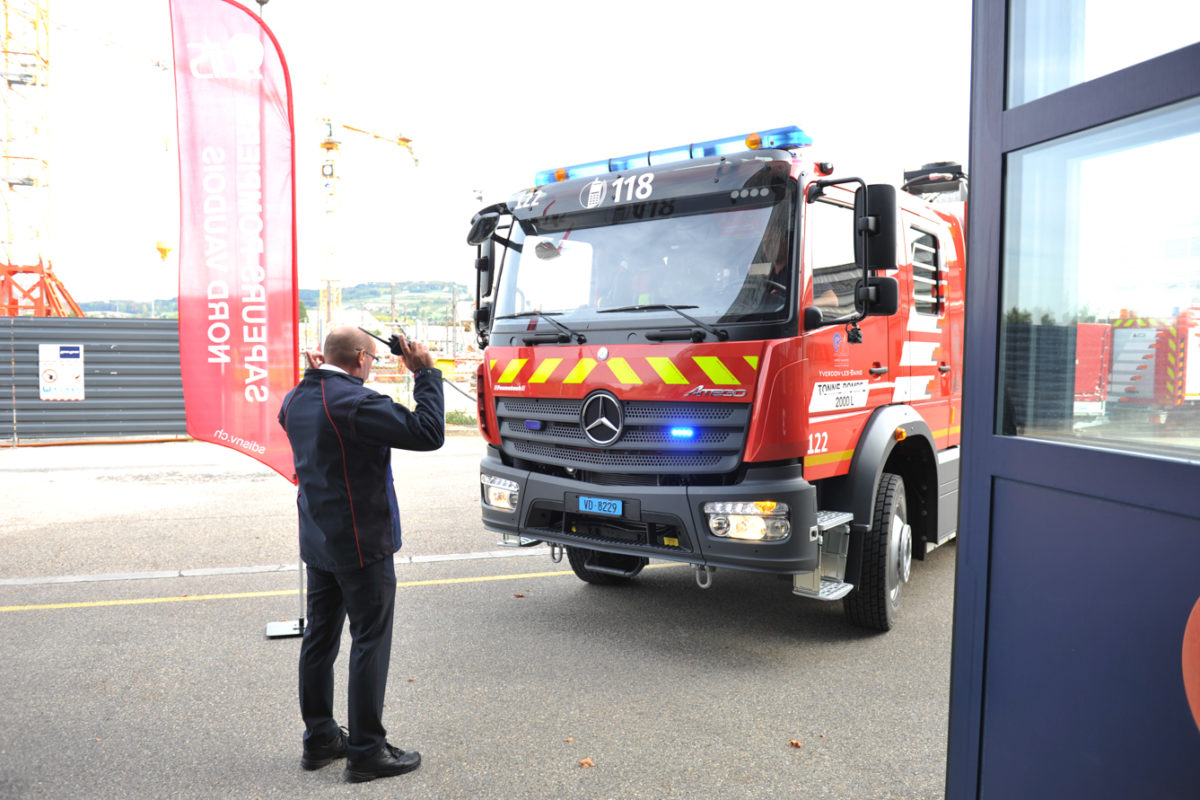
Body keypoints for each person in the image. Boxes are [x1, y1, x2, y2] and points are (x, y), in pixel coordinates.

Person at [277, 325, 444, 783]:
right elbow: (428, 432)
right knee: (369, 641)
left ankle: (320, 738)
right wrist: (425, 373)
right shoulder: (355, 402)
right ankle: (367, 751)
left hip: (319, 538)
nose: (372, 365)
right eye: (371, 358)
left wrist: (317, 376)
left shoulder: (297, 398)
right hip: (362, 543)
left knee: (320, 639)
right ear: (361, 358)